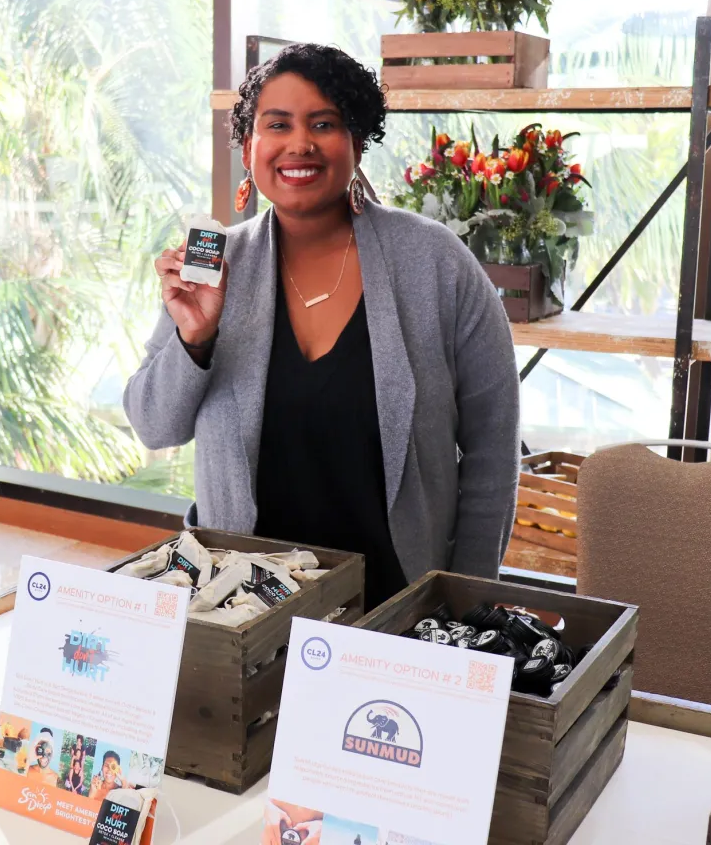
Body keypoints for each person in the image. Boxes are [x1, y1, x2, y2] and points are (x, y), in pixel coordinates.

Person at [124, 43, 520, 610]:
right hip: (247, 610)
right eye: (277, 124)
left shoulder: (435, 262)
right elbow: (153, 425)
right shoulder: (211, 269)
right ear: (248, 147)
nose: (299, 144)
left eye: (324, 124)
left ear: (357, 143)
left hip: (399, 605)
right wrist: (195, 337)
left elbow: (492, 447)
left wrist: (465, 597)